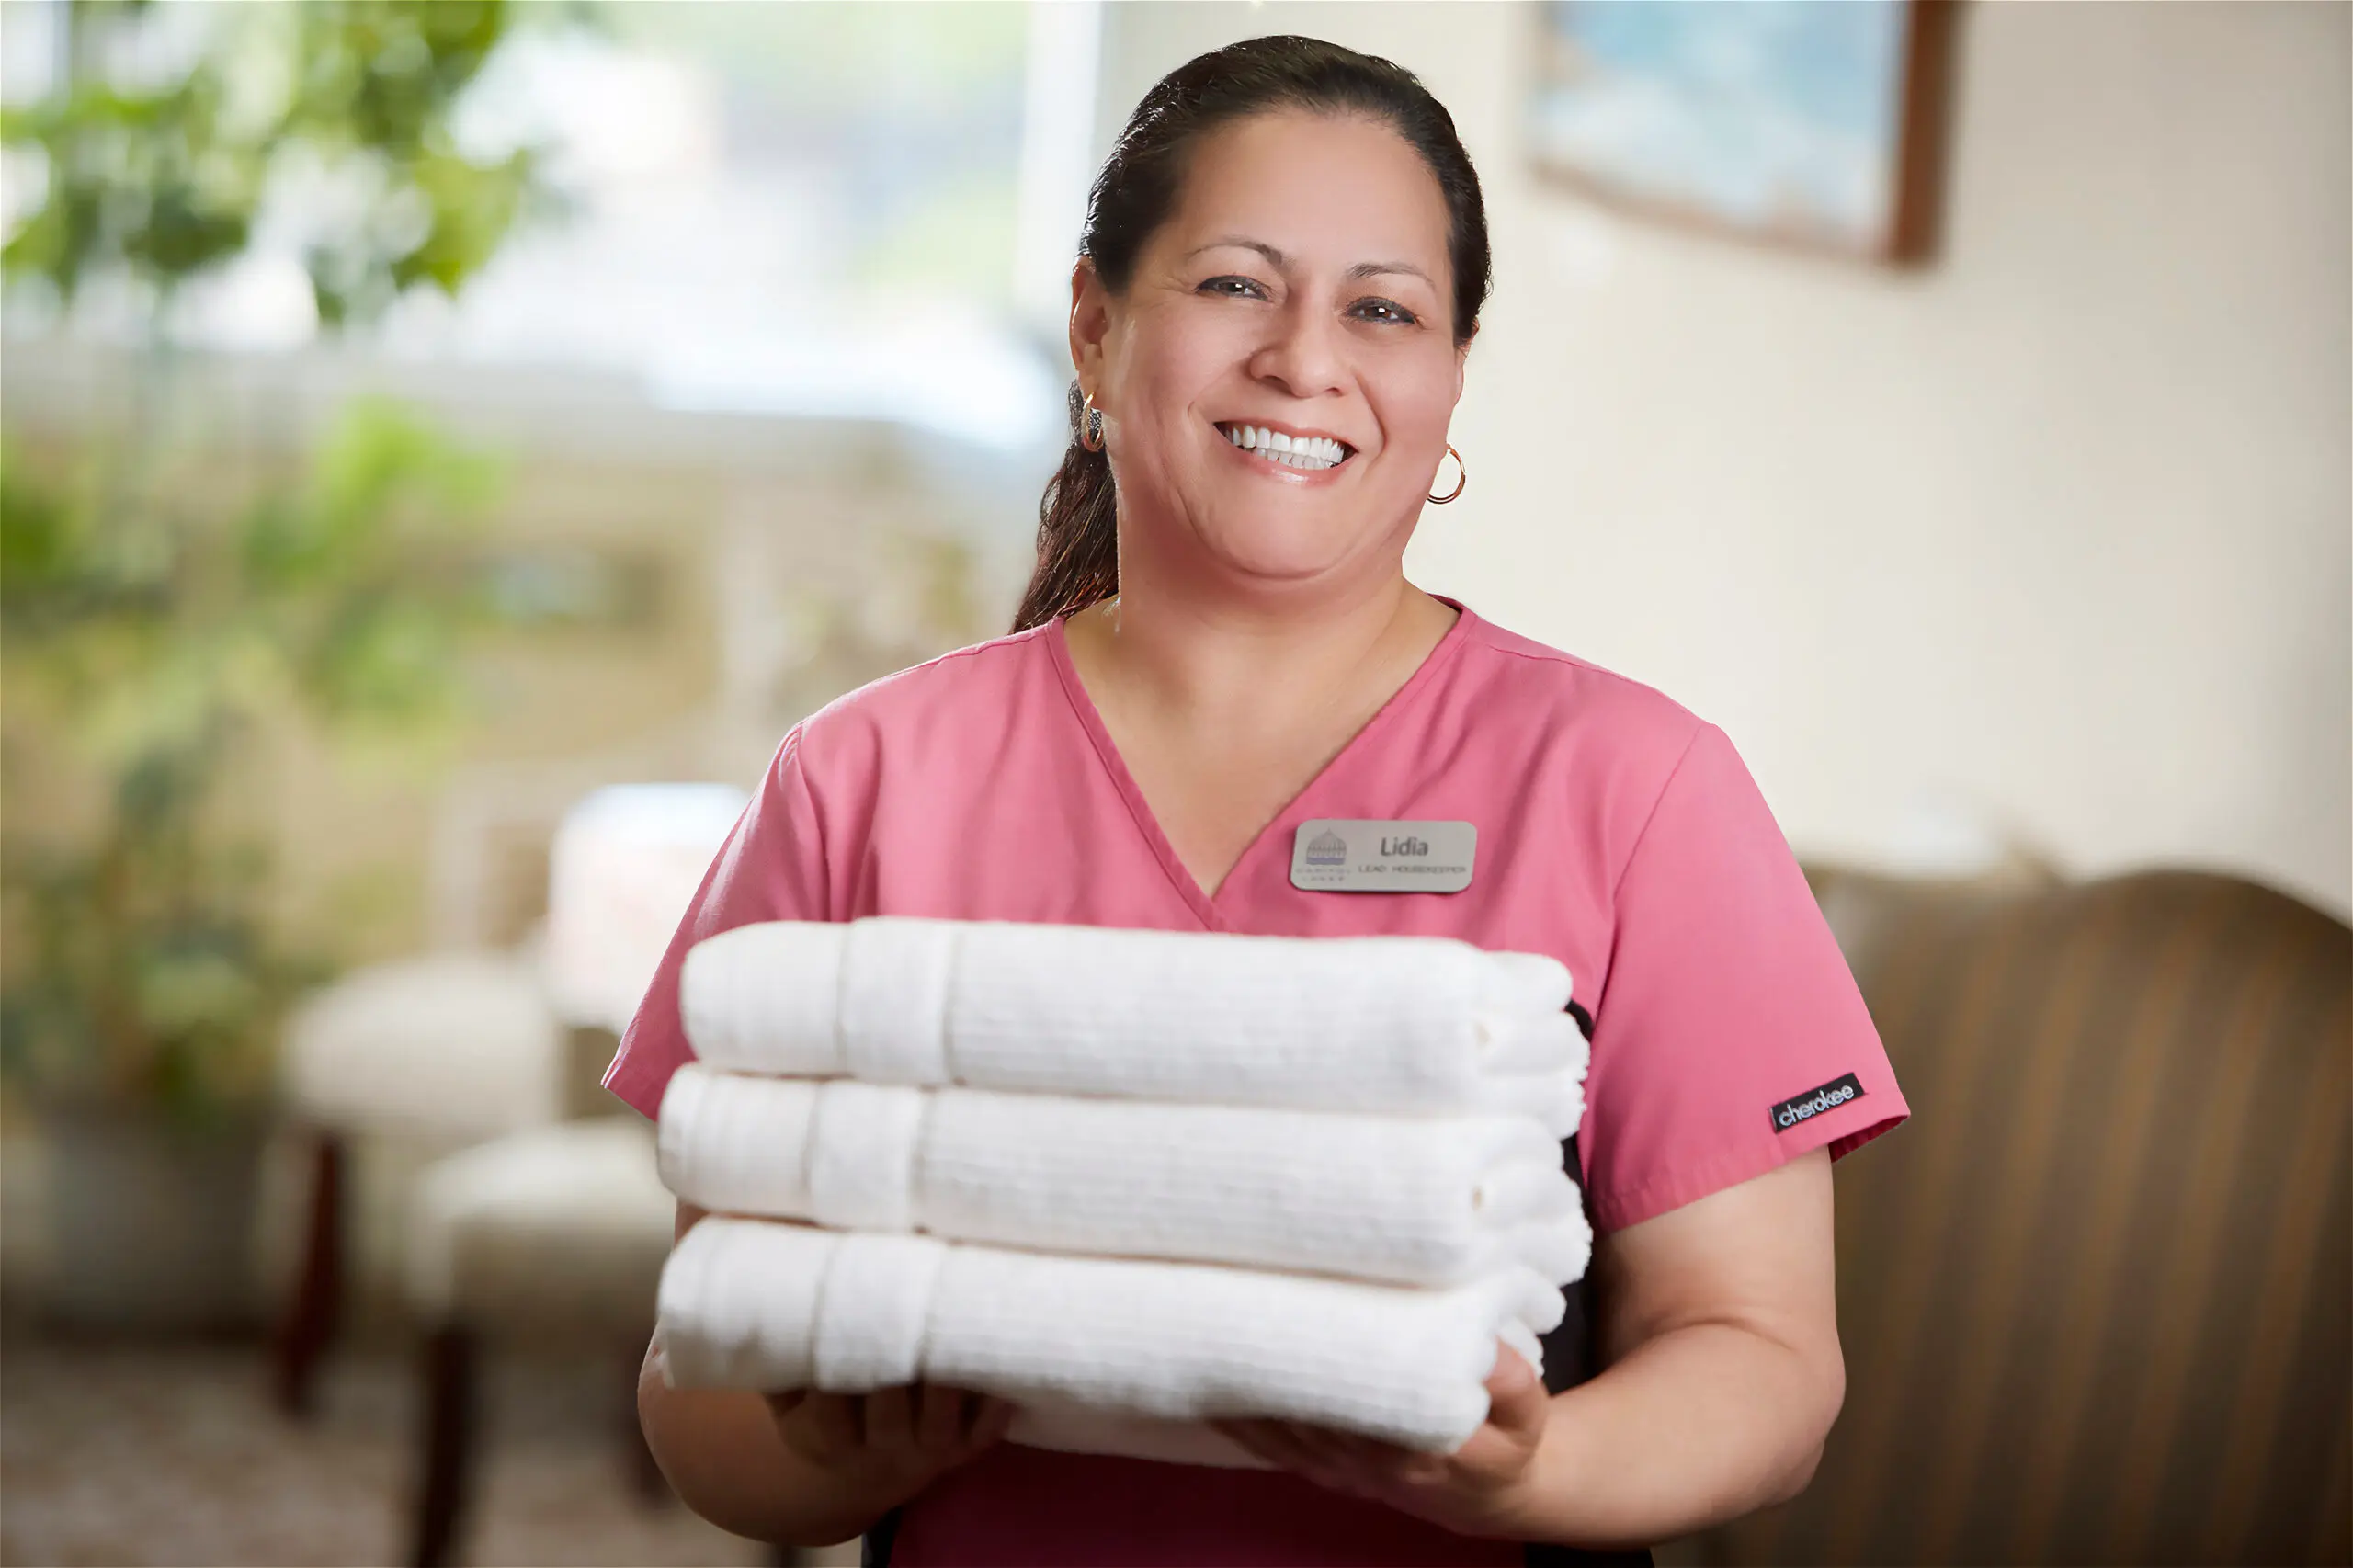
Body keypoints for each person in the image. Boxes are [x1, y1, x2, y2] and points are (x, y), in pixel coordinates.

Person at [607, 35, 1908, 1568]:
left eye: (1382, 308)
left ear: (1450, 374)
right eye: (1235, 283)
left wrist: (1532, 1472)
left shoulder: (1636, 789)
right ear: (1095, 330)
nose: (1307, 356)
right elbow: (700, 1381)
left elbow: (1763, 1359)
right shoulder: (864, 778)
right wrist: (825, 1457)